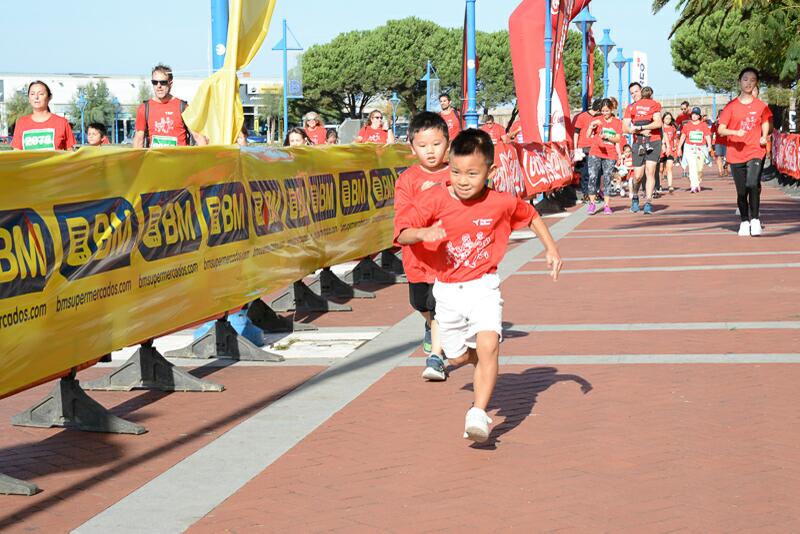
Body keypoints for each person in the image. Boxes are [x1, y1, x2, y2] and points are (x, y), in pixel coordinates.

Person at [394, 129, 562, 442]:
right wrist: (421, 235)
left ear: (490, 172)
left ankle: (477, 412)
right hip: (446, 291)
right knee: (460, 355)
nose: (462, 180)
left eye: (472, 173)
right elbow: (402, 232)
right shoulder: (434, 198)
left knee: (489, 345)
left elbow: (531, 215)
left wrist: (551, 249)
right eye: (456, 172)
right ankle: (469, 360)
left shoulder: (499, 202)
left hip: (484, 286)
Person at [394, 112, 452, 380]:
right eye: (423, 145)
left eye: (437, 144)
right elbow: (403, 225)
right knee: (421, 303)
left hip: (449, 258)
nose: (430, 151)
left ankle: (436, 358)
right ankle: (431, 326)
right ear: (412, 148)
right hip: (417, 259)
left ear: (448, 143)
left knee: (441, 304)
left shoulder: (457, 173)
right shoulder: (407, 180)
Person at [718, 67, 772, 237]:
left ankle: (755, 220)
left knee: (752, 184)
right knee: (742, 191)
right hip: (735, 153)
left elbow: (766, 122)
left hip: (755, 150)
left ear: (757, 83)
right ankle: (744, 221)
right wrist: (735, 133)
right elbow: (721, 129)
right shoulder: (731, 106)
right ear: (739, 82)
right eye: (745, 79)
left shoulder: (761, 106)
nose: (749, 83)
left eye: (752, 80)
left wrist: (764, 136)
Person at [133, 64, 206, 148]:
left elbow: (198, 137)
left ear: (170, 83)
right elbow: (139, 139)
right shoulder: (144, 108)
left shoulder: (183, 107)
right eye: (155, 82)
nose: (158, 86)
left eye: (163, 82)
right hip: (155, 160)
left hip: (179, 160)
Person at [623, 83, 663, 214]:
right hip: (638, 142)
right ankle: (635, 197)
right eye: (632, 93)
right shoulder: (630, 108)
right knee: (638, 176)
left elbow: (658, 123)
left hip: (654, 141)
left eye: (636, 91)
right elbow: (625, 128)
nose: (634, 94)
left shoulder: (653, 104)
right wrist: (640, 132)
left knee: (650, 172)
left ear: (642, 91)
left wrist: (642, 128)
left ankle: (648, 202)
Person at [11, 80, 76, 151]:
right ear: (29, 98)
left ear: (49, 97)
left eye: (41, 94)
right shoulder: (21, 123)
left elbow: (71, 153)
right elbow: (16, 152)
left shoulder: (62, 123)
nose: (36, 97)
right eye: (32, 94)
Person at [586, 98, 624, 215]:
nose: (605, 113)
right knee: (592, 176)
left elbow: (618, 139)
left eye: (607, 111)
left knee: (607, 178)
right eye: (602, 111)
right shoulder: (597, 120)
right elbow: (588, 136)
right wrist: (591, 126)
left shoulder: (617, 122)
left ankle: (607, 205)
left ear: (611, 109)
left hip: (610, 153)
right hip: (595, 151)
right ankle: (592, 204)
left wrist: (607, 137)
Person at [677, 107, 713, 193]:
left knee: (699, 168)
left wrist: (709, 146)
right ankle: (694, 185)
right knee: (692, 166)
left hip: (701, 148)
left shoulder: (703, 125)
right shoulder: (687, 125)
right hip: (689, 148)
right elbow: (682, 137)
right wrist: (679, 148)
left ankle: (697, 182)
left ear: (699, 116)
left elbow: (707, 136)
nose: (694, 116)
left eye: (696, 114)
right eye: (693, 114)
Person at [573, 99, 602, 203]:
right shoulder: (582, 116)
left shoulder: (600, 118)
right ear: (598, 109)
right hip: (584, 147)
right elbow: (576, 132)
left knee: (596, 172)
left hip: (597, 148)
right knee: (585, 172)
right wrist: (575, 147)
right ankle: (586, 193)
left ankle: (594, 193)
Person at [660, 112, 678, 192]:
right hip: (661, 151)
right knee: (660, 169)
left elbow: (674, 138)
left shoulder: (672, 127)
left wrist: (674, 146)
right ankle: (659, 185)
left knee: (669, 168)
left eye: (670, 118)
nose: (668, 120)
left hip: (670, 150)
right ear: (663, 119)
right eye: (666, 118)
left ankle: (670, 185)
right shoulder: (660, 128)